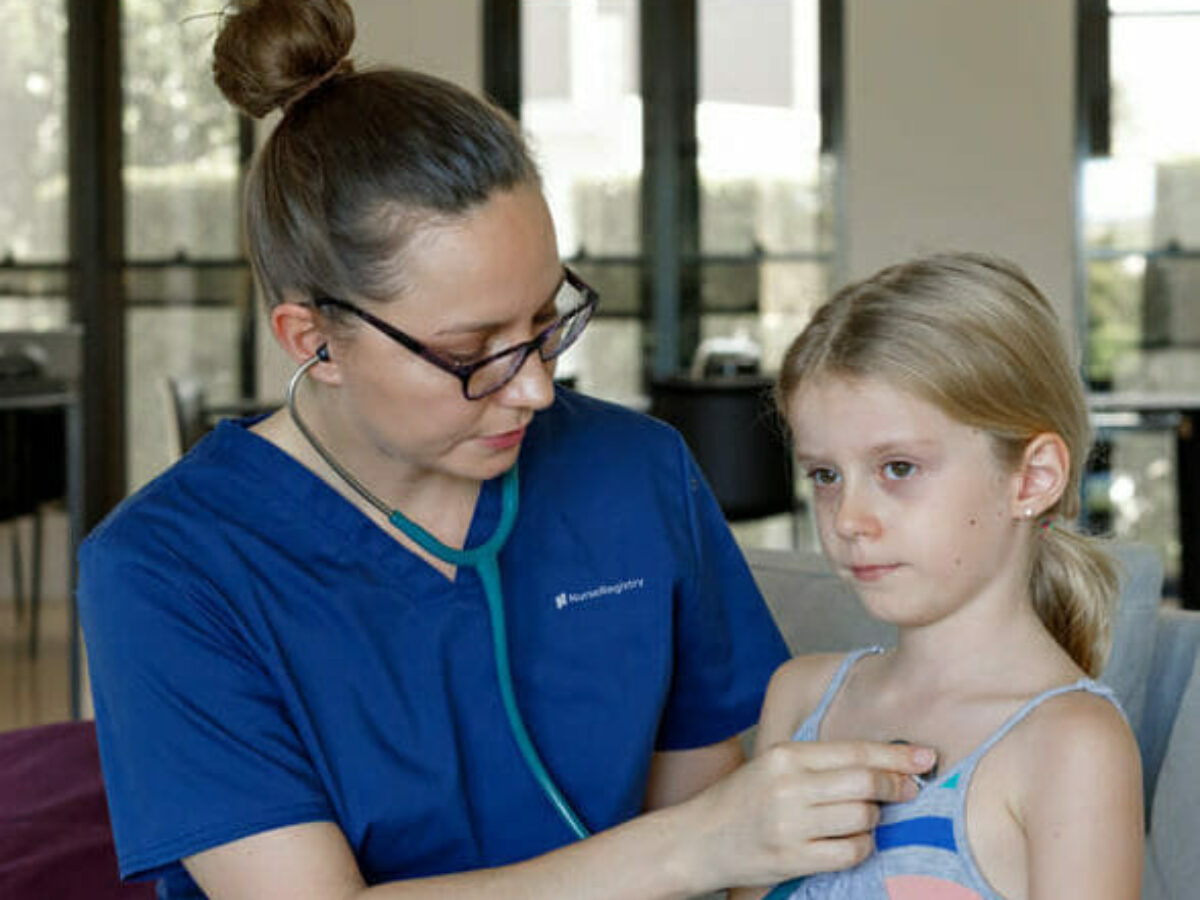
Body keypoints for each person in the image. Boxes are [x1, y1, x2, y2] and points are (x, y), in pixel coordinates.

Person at [76, 2, 936, 898]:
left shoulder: (634, 474)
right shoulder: (165, 570)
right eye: (467, 352)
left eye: (544, 320)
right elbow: (705, 841)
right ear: (312, 341)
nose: (534, 387)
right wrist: (701, 845)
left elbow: (708, 833)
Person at [732, 253, 1144, 900]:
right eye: (825, 475)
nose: (849, 519)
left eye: (898, 468)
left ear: (1031, 479)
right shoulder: (803, 697)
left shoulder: (1072, 744)